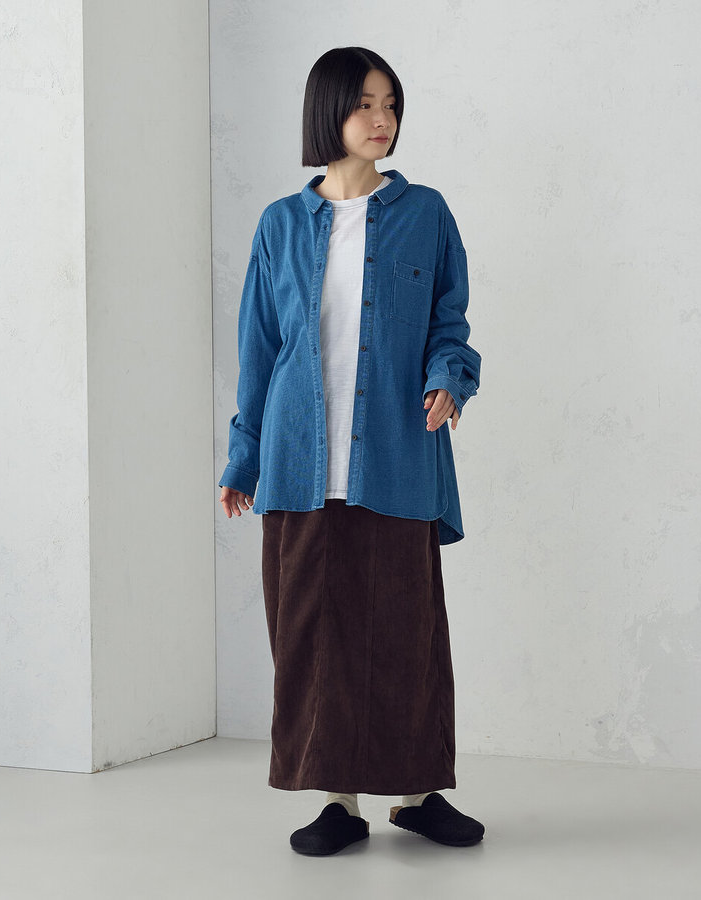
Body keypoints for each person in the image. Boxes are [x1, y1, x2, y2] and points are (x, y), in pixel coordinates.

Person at [218, 46, 484, 856]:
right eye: (365, 103)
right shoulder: (279, 224)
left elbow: (449, 323)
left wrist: (448, 377)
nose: (381, 119)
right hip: (300, 465)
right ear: (328, 111)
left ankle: (417, 795)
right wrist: (243, 457)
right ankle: (336, 800)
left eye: (391, 104)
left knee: (407, 632)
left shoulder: (426, 213)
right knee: (314, 638)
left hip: (399, 457)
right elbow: (259, 351)